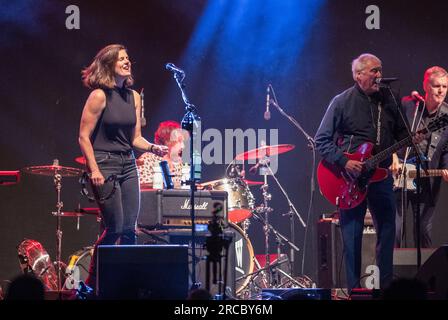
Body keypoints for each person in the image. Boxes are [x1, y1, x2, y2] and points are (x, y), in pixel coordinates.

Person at [314, 53, 412, 290]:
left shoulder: (390, 99)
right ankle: (354, 291)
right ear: (358, 75)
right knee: (352, 236)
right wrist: (345, 162)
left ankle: (386, 289)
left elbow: (402, 136)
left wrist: (412, 139)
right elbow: (321, 140)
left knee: (388, 232)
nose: (379, 75)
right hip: (350, 178)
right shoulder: (342, 101)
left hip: (381, 176)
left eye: (380, 70)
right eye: (373, 71)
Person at [78, 44, 168, 290]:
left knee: (130, 229)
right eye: (121, 59)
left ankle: (125, 285)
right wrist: (94, 169)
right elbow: (83, 137)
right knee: (114, 226)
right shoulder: (99, 96)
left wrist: (151, 148)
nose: (127, 62)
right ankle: (93, 282)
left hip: (128, 164)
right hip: (104, 164)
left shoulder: (134, 97)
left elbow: (135, 138)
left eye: (128, 58)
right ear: (109, 65)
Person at [392, 66, 448, 248]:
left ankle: (425, 275)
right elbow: (389, 134)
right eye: (436, 86)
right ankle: (391, 274)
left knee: (423, 229)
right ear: (425, 85)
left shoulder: (446, 116)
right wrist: (393, 157)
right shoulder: (409, 106)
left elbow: (446, 149)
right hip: (399, 174)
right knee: (396, 227)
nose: (441, 91)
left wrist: (446, 167)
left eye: (445, 87)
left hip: (427, 177)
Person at [138, 120, 189, 189]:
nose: (183, 146)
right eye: (179, 141)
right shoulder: (148, 159)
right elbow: (144, 188)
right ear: (167, 140)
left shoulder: (180, 164)